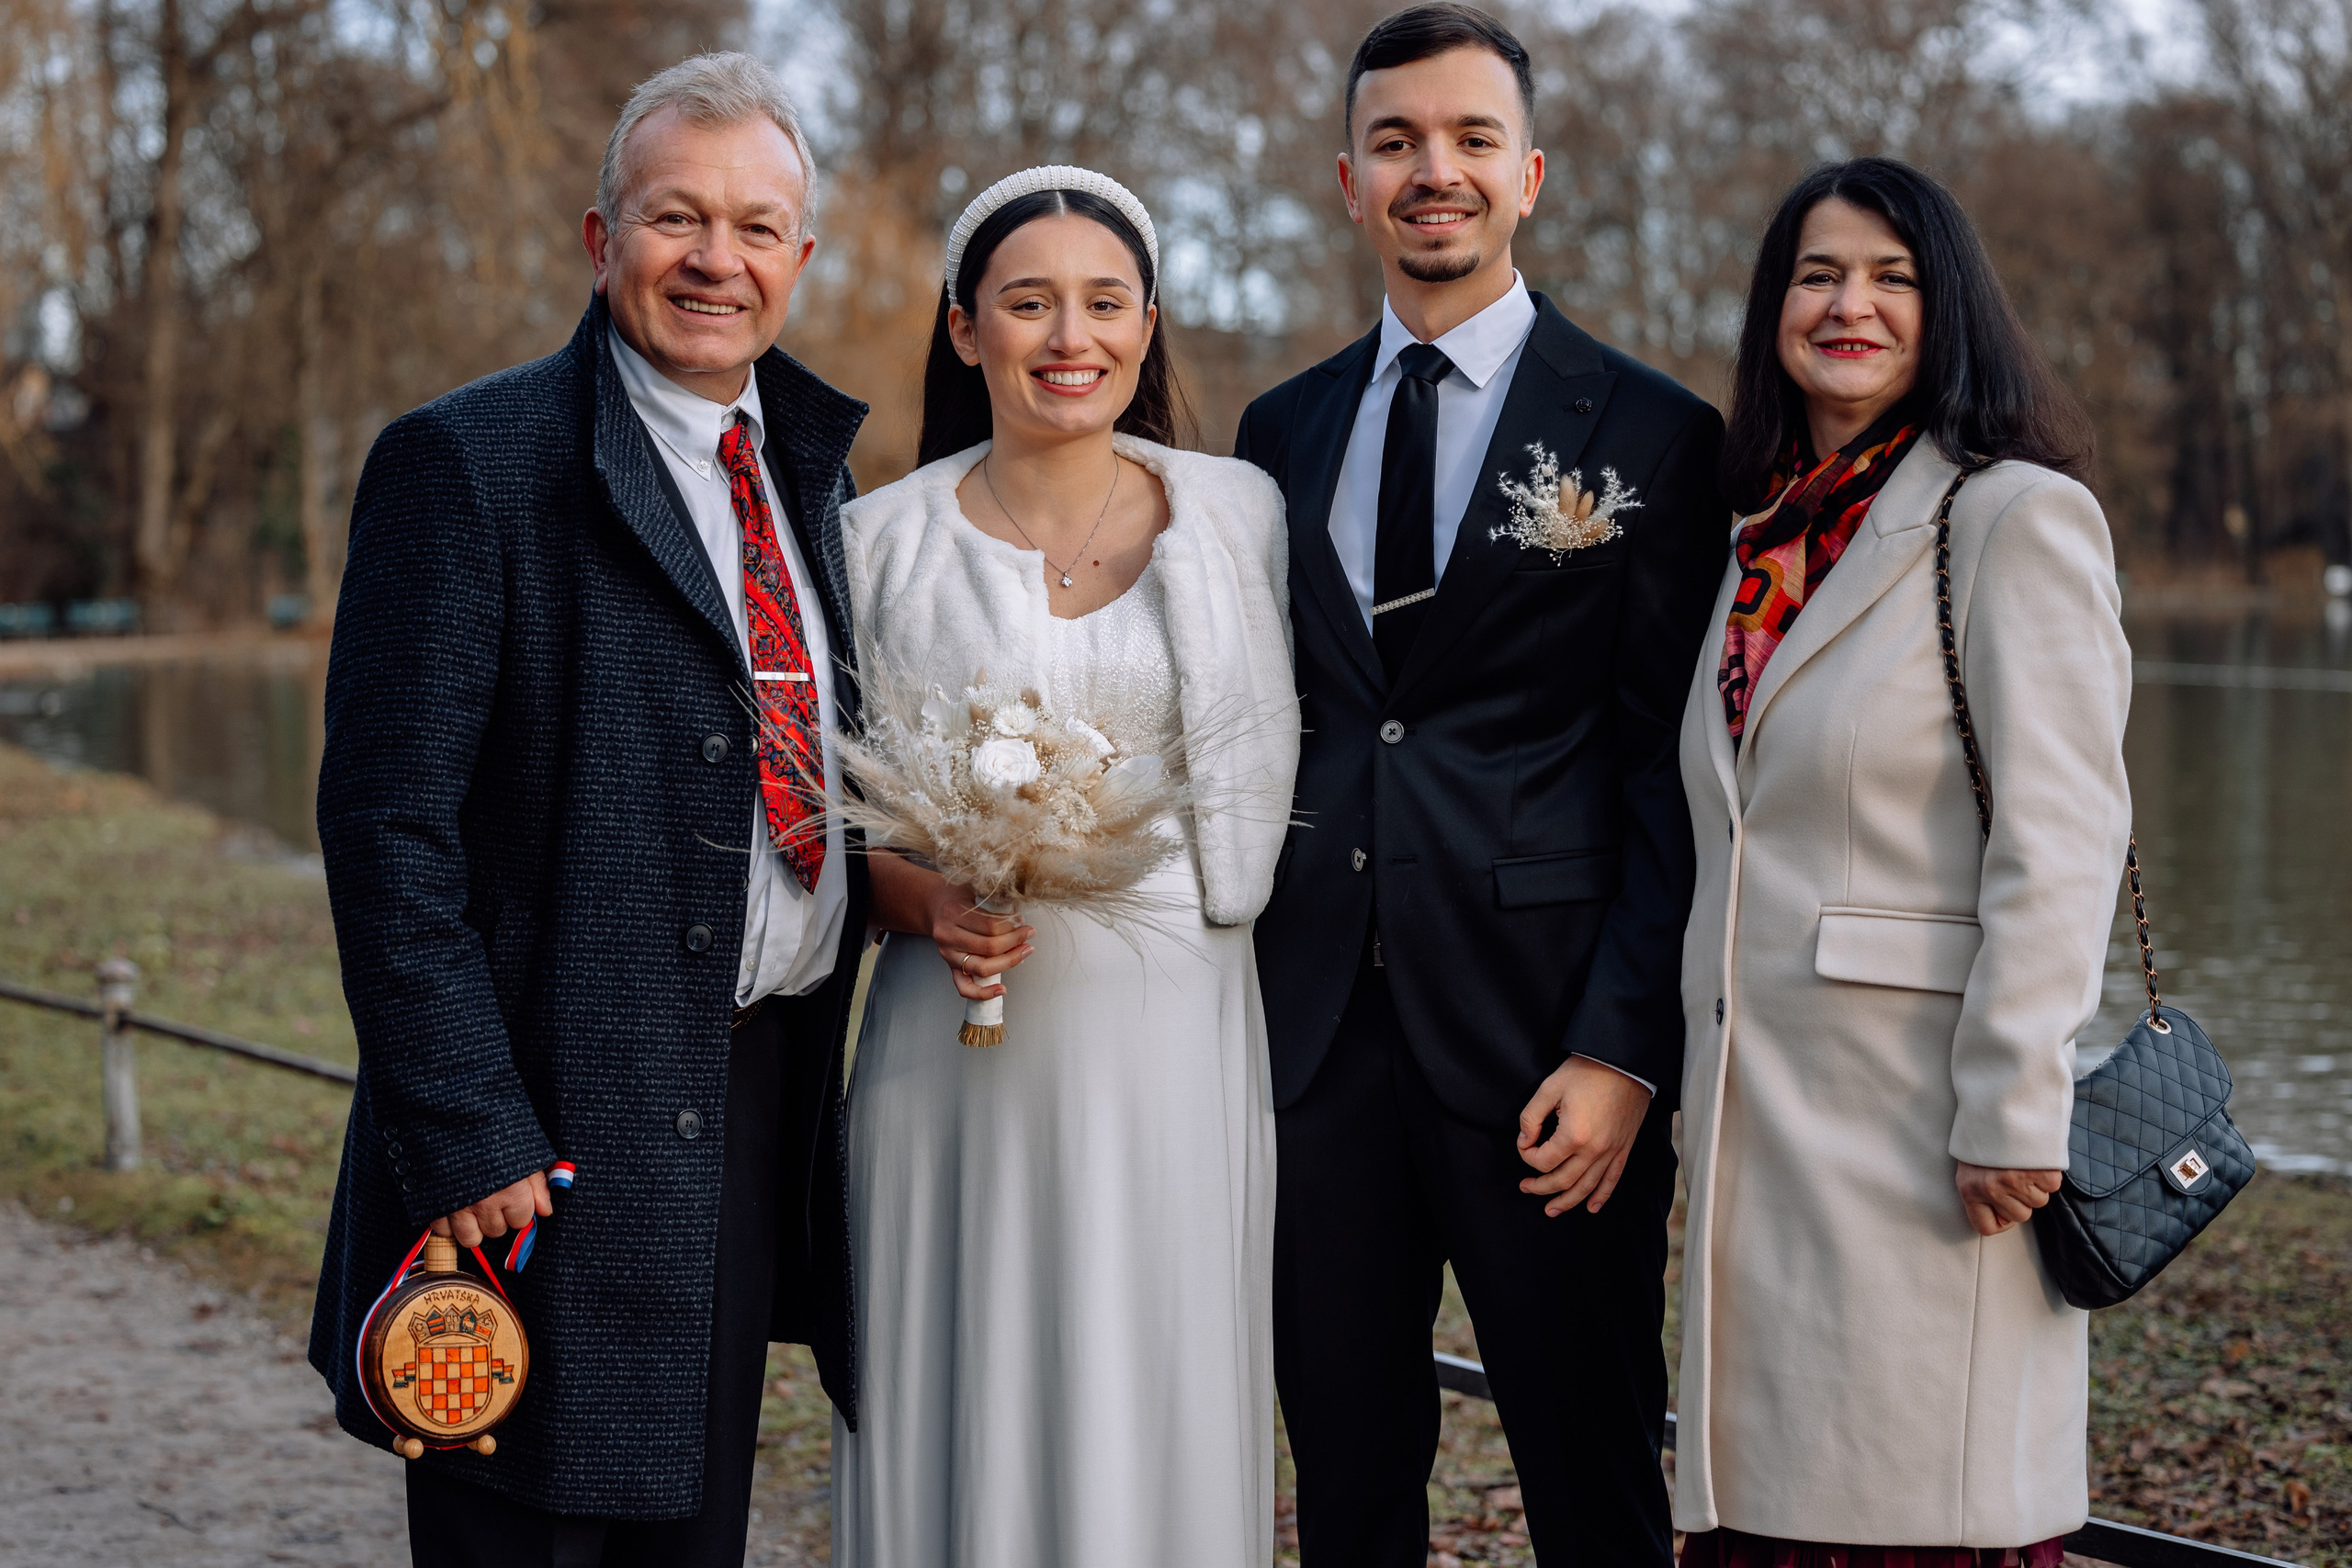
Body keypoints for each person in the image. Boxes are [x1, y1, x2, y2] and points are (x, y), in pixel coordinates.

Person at [305, 52, 870, 1566]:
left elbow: (806, 781)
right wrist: (468, 1126)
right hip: (540, 1134)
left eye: (758, 227)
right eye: (675, 217)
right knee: (526, 1536)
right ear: (598, 237)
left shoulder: (816, 481)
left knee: (692, 1534)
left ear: (802, 260)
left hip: (749, 1109)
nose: (717, 260)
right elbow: (384, 830)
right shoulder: (468, 464)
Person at [1232, 6, 1727, 1563]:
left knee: (1589, 1473)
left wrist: (1623, 1049)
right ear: (1348, 179)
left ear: (1529, 173)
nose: (1428, 171)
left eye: (1463, 140)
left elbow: (1674, 772)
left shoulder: (1653, 432)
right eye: (1394, 143)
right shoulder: (1280, 433)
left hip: (1545, 1059)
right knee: (1349, 1475)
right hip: (1312, 1046)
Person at [829, 166, 1298, 1567]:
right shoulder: (874, 544)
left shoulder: (1243, 517)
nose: (1067, 336)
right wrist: (927, 903)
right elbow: (808, 832)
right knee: (962, 1366)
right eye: (1028, 304)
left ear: (1148, 328)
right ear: (965, 329)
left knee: (1155, 1366)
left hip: (1179, 1032)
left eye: (1103, 304)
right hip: (951, 1047)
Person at [1671, 156, 2127, 1567]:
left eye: (1892, 277)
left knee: (1915, 1501)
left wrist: (2014, 1101)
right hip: (1758, 1106)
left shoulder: (2010, 517)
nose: (1849, 304)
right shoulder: (1755, 538)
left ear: (1950, 311)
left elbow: (2064, 838)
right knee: (1766, 1505)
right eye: (1817, 274)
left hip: (1928, 1125)